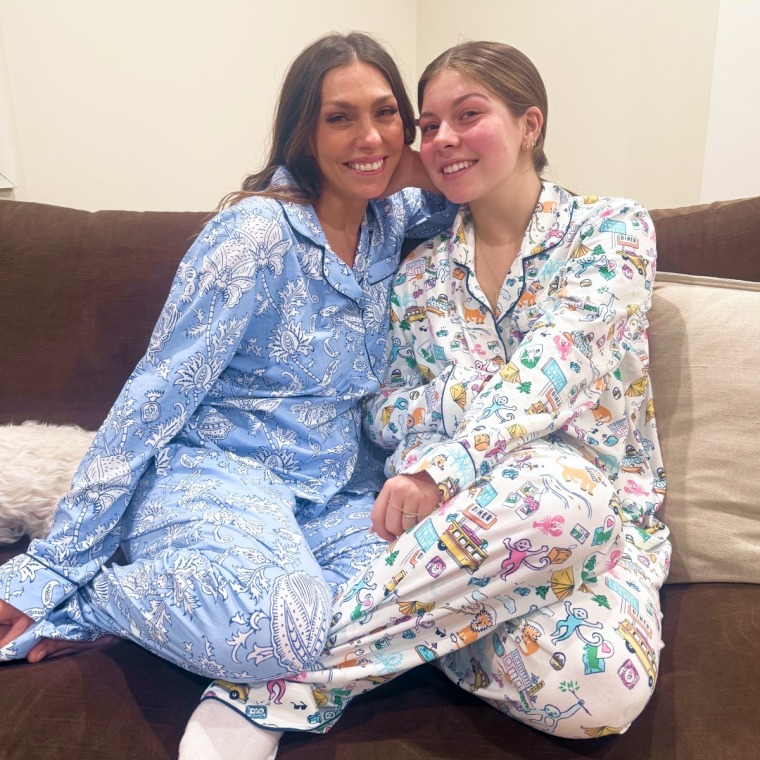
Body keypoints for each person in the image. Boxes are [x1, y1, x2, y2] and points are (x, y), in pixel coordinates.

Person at [188, 40, 670, 752]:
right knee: (560, 501)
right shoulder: (418, 271)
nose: (442, 138)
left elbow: (558, 366)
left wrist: (444, 462)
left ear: (530, 124)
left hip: (596, 524)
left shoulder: (611, 230)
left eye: (468, 116)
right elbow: (382, 408)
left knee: (600, 689)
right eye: (429, 125)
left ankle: (274, 679)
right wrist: (455, 412)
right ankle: (404, 629)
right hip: (465, 529)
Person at [0, 31, 455, 760]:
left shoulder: (392, 220)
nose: (368, 137)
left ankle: (207, 643)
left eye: (385, 113)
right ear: (304, 130)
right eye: (340, 118)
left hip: (333, 493)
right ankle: (98, 602)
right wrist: (55, 566)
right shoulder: (254, 235)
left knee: (430, 593)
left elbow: (479, 188)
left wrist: (418, 156)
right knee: (285, 628)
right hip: (215, 475)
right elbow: (152, 399)